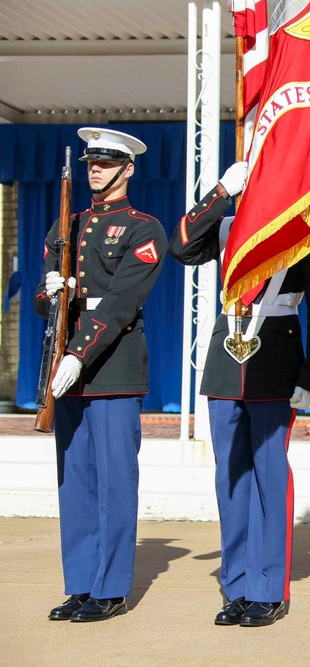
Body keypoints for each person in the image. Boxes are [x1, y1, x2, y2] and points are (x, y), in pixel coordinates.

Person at [168, 162, 310, 626]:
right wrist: (220, 190)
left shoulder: (304, 229)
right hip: (227, 357)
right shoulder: (226, 225)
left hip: (275, 357)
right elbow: (180, 247)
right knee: (231, 478)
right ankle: (238, 583)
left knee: (268, 474)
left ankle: (269, 588)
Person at [35, 127, 167, 622]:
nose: (97, 169)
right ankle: (80, 584)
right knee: (75, 482)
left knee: (114, 481)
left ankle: (110, 589)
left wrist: (78, 353)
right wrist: (51, 293)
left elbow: (120, 303)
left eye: (107, 162)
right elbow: (43, 304)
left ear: (127, 169)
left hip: (112, 367)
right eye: (92, 162)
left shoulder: (142, 228)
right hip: (66, 363)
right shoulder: (66, 226)